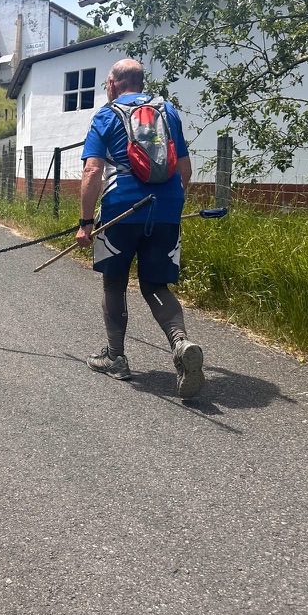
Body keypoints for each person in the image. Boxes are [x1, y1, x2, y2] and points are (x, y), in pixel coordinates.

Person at [75, 58, 205, 399]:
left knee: (115, 282)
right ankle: (181, 342)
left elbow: (92, 172)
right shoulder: (169, 112)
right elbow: (185, 169)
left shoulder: (106, 115)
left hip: (121, 208)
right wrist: (169, 206)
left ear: (114, 84)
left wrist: (86, 223)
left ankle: (116, 358)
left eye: (106, 83)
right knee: (154, 284)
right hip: (166, 209)